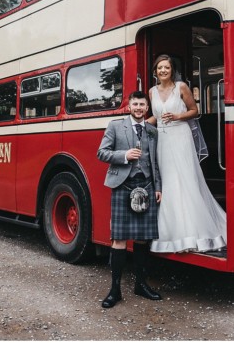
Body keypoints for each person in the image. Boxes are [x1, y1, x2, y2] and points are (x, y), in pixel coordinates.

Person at [148, 54, 227, 254]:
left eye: (166, 67)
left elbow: (195, 110)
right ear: (155, 71)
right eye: (160, 68)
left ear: (171, 70)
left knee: (185, 180)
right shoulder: (151, 92)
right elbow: (155, 117)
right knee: (168, 182)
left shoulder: (181, 87)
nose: (163, 71)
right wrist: (136, 123)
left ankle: (193, 233)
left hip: (181, 137)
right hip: (163, 140)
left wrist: (177, 116)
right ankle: (171, 234)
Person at [97, 91, 163, 308]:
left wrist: (158, 187)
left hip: (146, 186)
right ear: (129, 107)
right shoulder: (115, 126)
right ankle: (114, 290)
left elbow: (155, 163)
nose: (138, 108)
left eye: (142, 104)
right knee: (119, 239)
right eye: (135, 104)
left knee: (143, 238)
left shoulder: (152, 131)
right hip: (122, 185)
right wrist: (124, 155)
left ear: (147, 108)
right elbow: (102, 153)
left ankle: (141, 285)